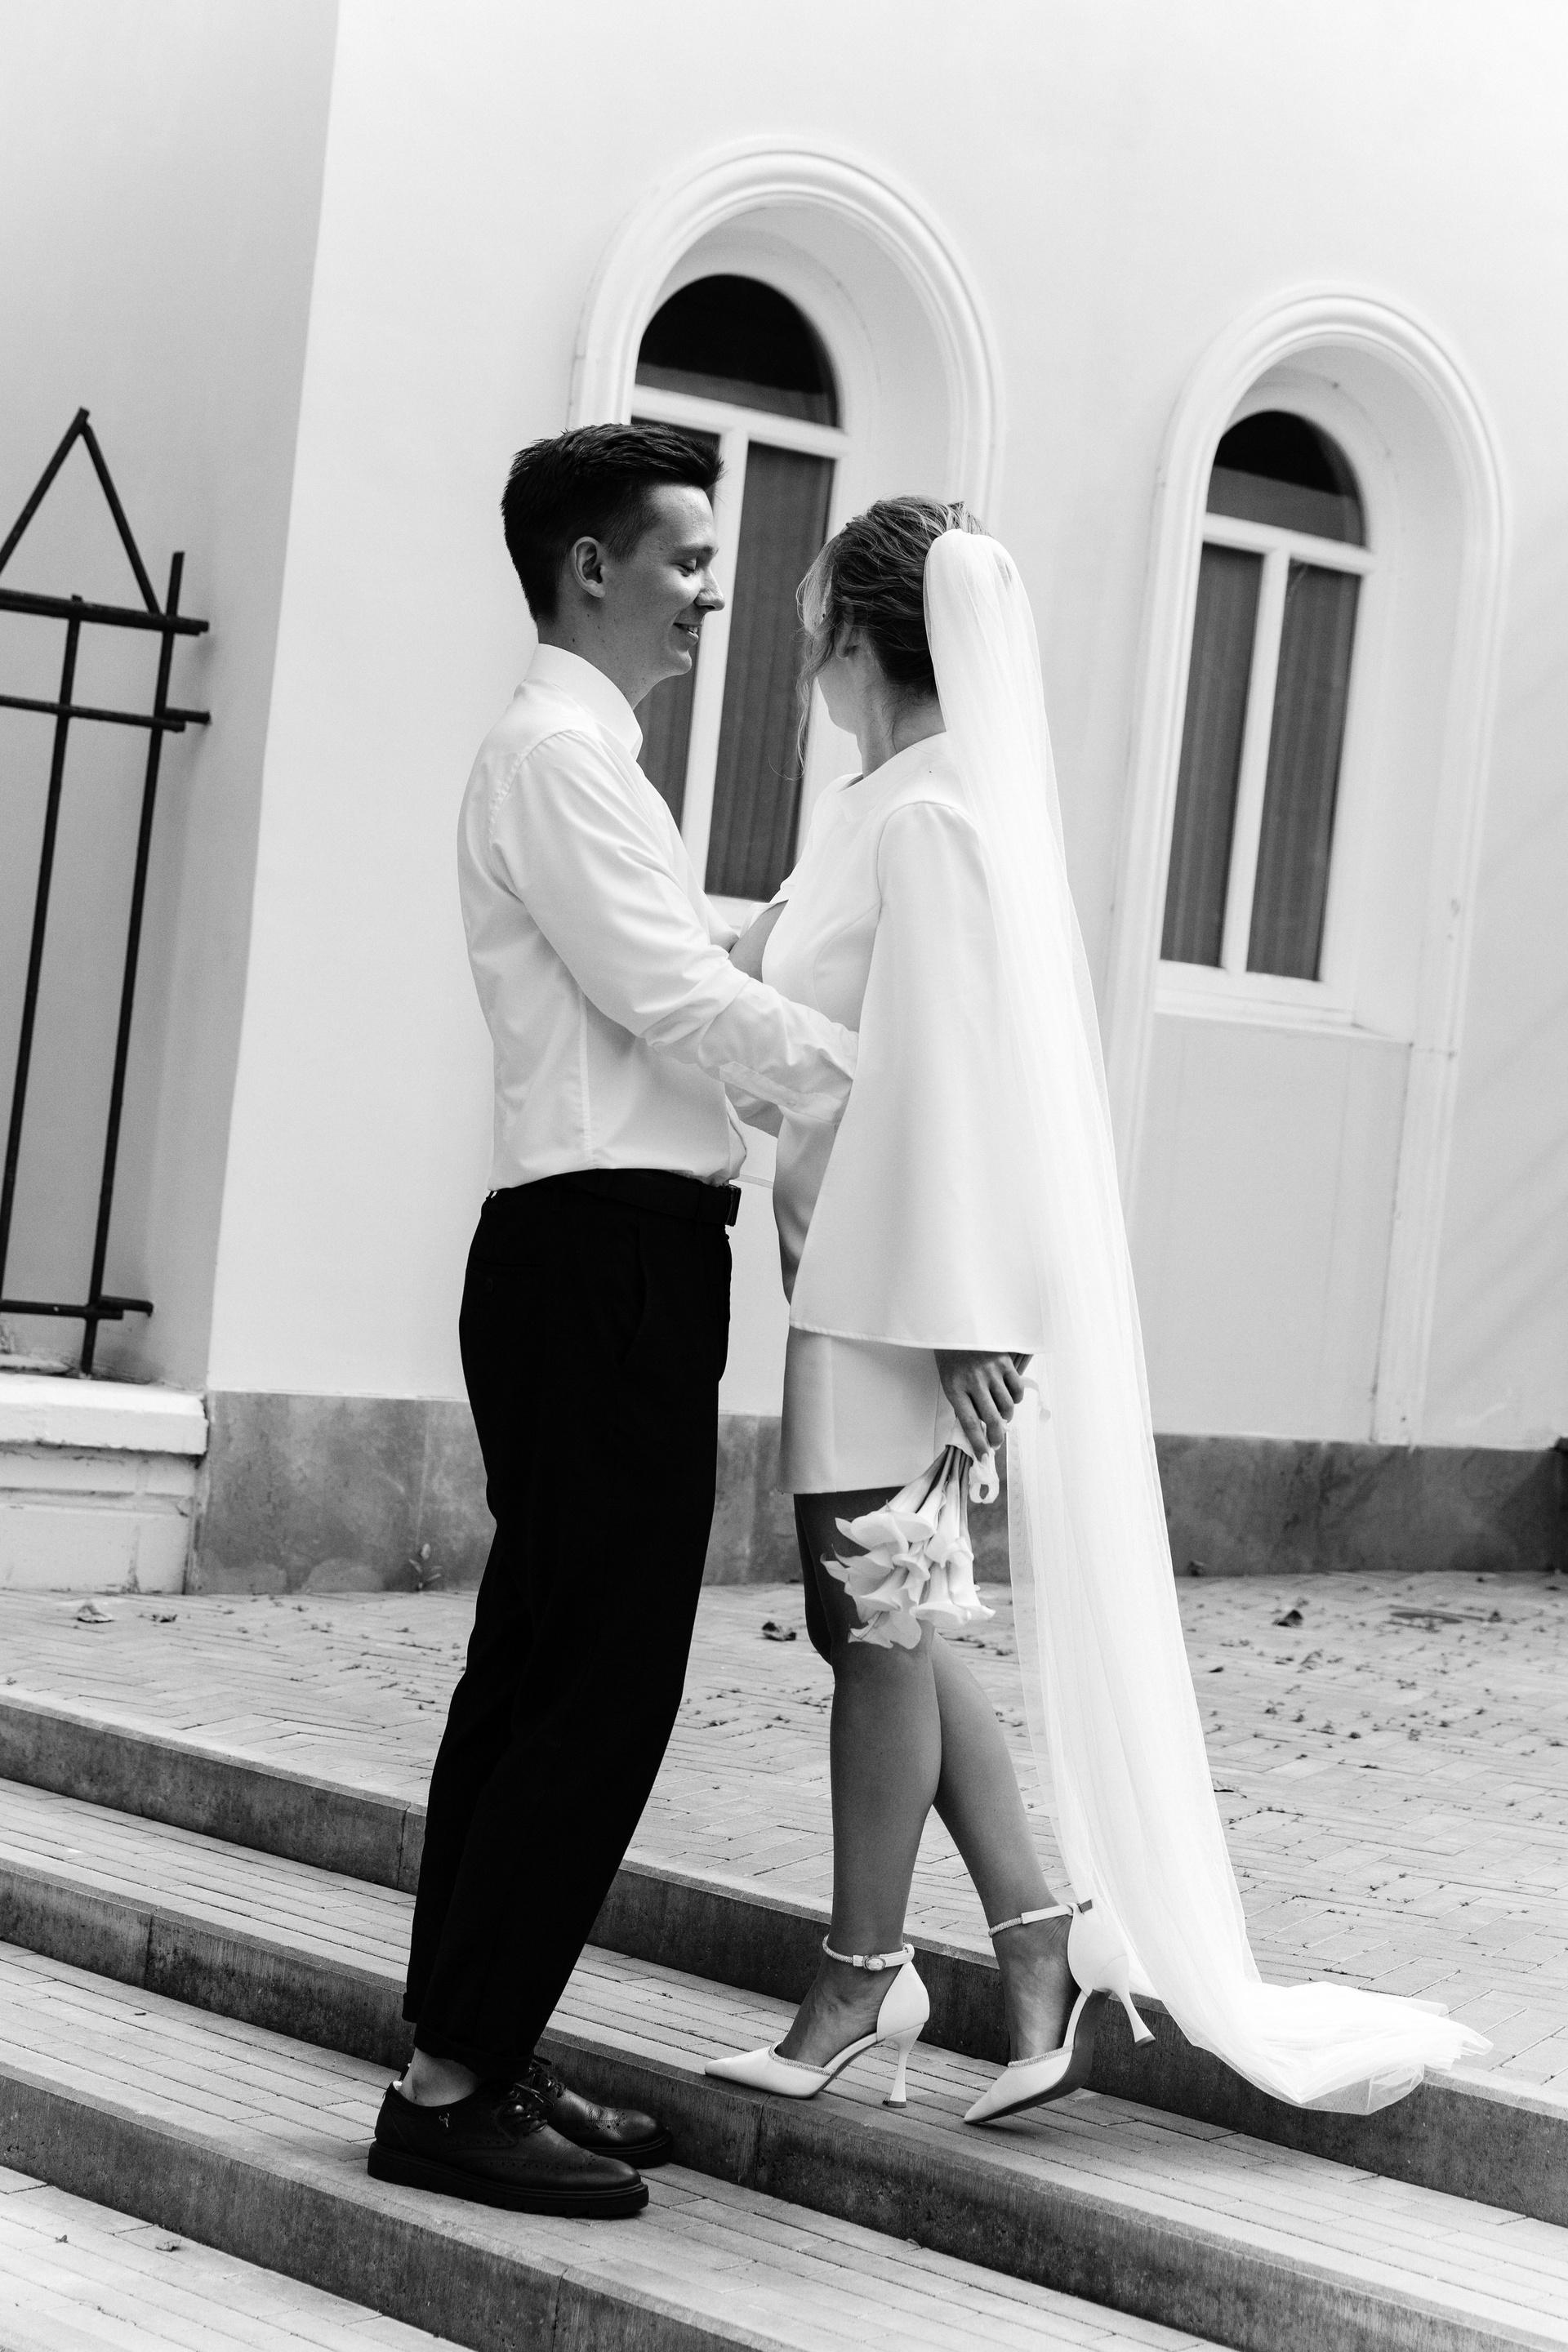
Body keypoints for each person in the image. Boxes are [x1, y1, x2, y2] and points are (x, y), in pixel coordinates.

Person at [709, 498, 1487, 2123]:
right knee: (882, 1619)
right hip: (852, 1273)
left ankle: (862, 1976)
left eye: (813, 634)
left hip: (904, 1297)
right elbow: (788, 993)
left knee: (872, 1626)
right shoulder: (873, 809)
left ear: (861, 643)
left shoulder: (933, 818)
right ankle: (1035, 1945)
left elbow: (959, 1077)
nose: (803, 665)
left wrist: (967, 1318)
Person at [370, 424, 859, 2217]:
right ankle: (449, 2092)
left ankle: (472, 2050)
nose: (713, 591)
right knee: (596, 1682)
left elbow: (676, 971)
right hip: (605, 1259)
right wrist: (876, 1080)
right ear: (593, 568)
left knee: (535, 1675)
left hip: (599, 1255)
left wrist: (778, 968)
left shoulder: (585, 763)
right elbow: (671, 994)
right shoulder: (560, 761)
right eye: (687, 558)